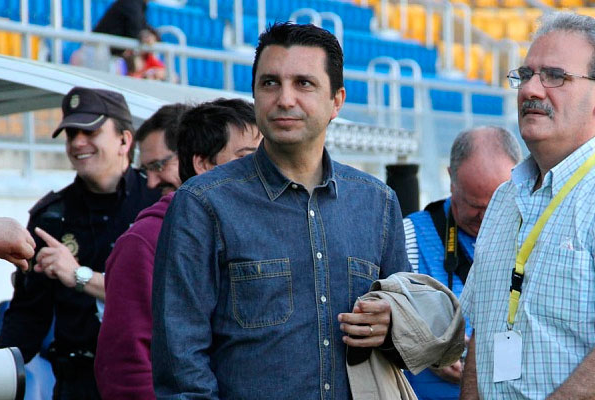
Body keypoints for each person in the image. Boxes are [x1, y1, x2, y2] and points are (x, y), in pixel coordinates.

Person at [151, 22, 411, 399]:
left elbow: (405, 330)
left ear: (337, 100)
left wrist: (392, 328)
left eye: (304, 83)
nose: (284, 98)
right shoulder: (203, 203)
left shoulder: (377, 203)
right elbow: (181, 360)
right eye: (270, 83)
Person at [460, 11, 595, 399]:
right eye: (525, 74)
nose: (531, 90)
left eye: (555, 76)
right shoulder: (504, 199)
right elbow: (484, 333)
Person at [0, 86, 160, 400]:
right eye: (71, 134)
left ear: (125, 140)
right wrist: (3, 365)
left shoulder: (156, 202)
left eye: (90, 131)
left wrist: (78, 275)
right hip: (76, 384)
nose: (78, 143)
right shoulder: (51, 217)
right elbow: (29, 314)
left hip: (142, 382)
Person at [94, 98, 261, 400]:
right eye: (247, 157)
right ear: (203, 164)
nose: (263, 170)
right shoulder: (144, 241)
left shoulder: (270, 229)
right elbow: (126, 367)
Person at [402, 126, 521, 400]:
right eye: (476, 207)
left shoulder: (535, 236)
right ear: (451, 182)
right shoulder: (408, 235)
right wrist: (428, 352)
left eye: (498, 203)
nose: (487, 217)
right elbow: (385, 323)